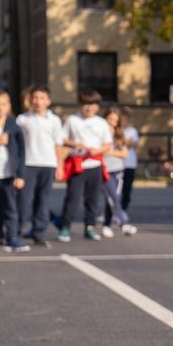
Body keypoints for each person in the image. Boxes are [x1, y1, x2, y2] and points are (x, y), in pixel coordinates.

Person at [58, 89, 112, 242]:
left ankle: (90, 227)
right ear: (80, 105)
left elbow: (107, 144)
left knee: (93, 199)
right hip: (77, 164)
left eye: (92, 105)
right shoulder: (72, 120)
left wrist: (97, 150)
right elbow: (62, 139)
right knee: (72, 198)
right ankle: (65, 227)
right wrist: (75, 144)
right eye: (85, 104)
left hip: (95, 164)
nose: (88, 108)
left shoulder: (101, 123)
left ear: (97, 106)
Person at [15, 85, 63, 248]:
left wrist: (60, 166)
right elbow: (16, 144)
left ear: (48, 101)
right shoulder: (22, 119)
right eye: (35, 98)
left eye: (41, 98)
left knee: (43, 200)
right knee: (24, 200)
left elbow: (58, 144)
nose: (37, 101)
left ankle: (39, 232)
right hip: (27, 164)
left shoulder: (54, 120)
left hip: (48, 164)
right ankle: (16, 230)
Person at [0, 88, 28, 252]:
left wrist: (20, 175)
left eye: (3, 104)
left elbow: (21, 151)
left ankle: (12, 237)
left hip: (7, 174)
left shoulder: (13, 124)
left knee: (10, 207)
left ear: (9, 106)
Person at [100, 106, 137, 238]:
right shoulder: (100, 133)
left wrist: (109, 151)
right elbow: (98, 151)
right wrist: (107, 152)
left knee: (113, 197)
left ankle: (106, 225)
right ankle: (123, 223)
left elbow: (124, 153)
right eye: (109, 119)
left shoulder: (119, 134)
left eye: (115, 120)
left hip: (117, 170)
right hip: (104, 169)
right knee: (112, 197)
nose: (112, 122)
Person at [119, 106, 139, 212]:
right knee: (114, 190)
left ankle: (123, 210)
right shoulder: (115, 130)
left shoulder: (132, 131)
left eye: (125, 119)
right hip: (117, 164)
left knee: (126, 189)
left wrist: (122, 141)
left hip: (129, 164)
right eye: (121, 119)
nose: (123, 122)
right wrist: (125, 141)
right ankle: (111, 211)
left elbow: (132, 144)